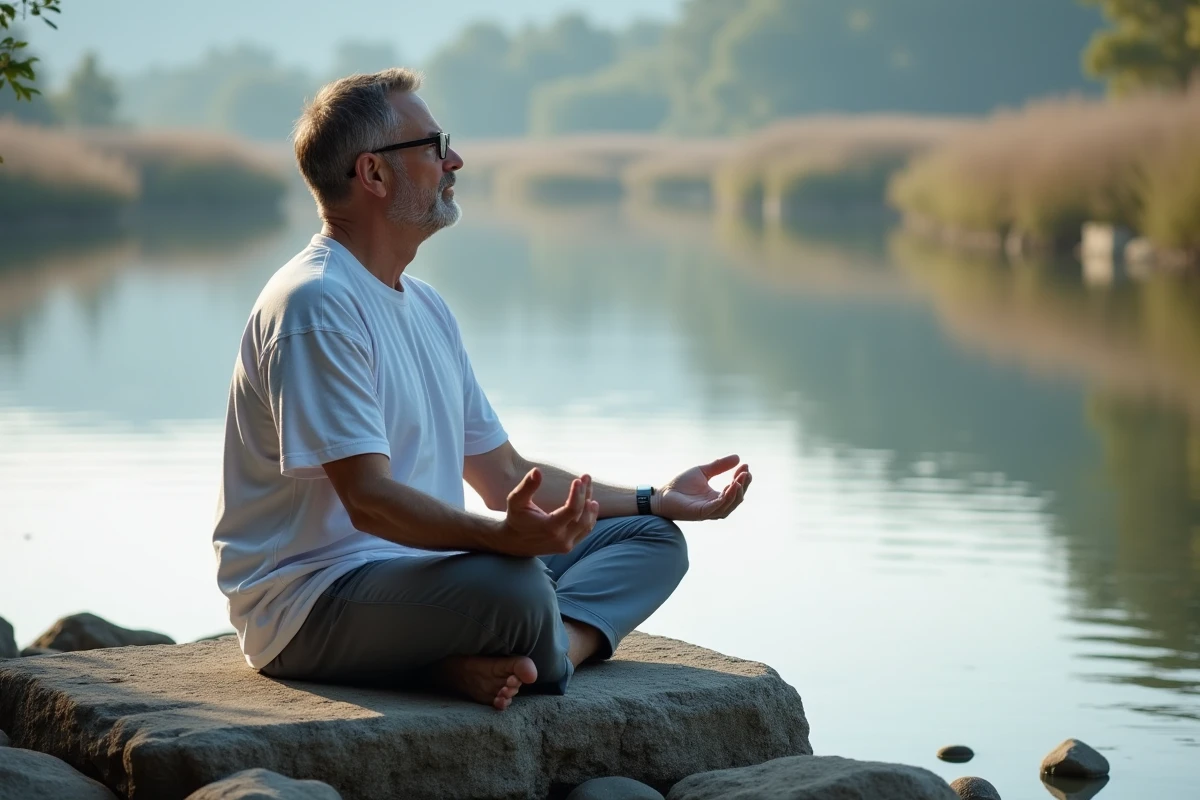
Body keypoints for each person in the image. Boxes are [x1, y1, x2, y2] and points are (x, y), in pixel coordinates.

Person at [212, 68, 752, 711]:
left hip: (428, 579)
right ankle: (492, 661)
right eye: (435, 146)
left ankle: (533, 656)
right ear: (374, 174)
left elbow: (504, 475)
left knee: (651, 539)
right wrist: (502, 540)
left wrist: (653, 498)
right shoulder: (317, 305)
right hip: (313, 601)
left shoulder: (427, 306)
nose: (455, 161)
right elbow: (370, 503)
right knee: (517, 588)